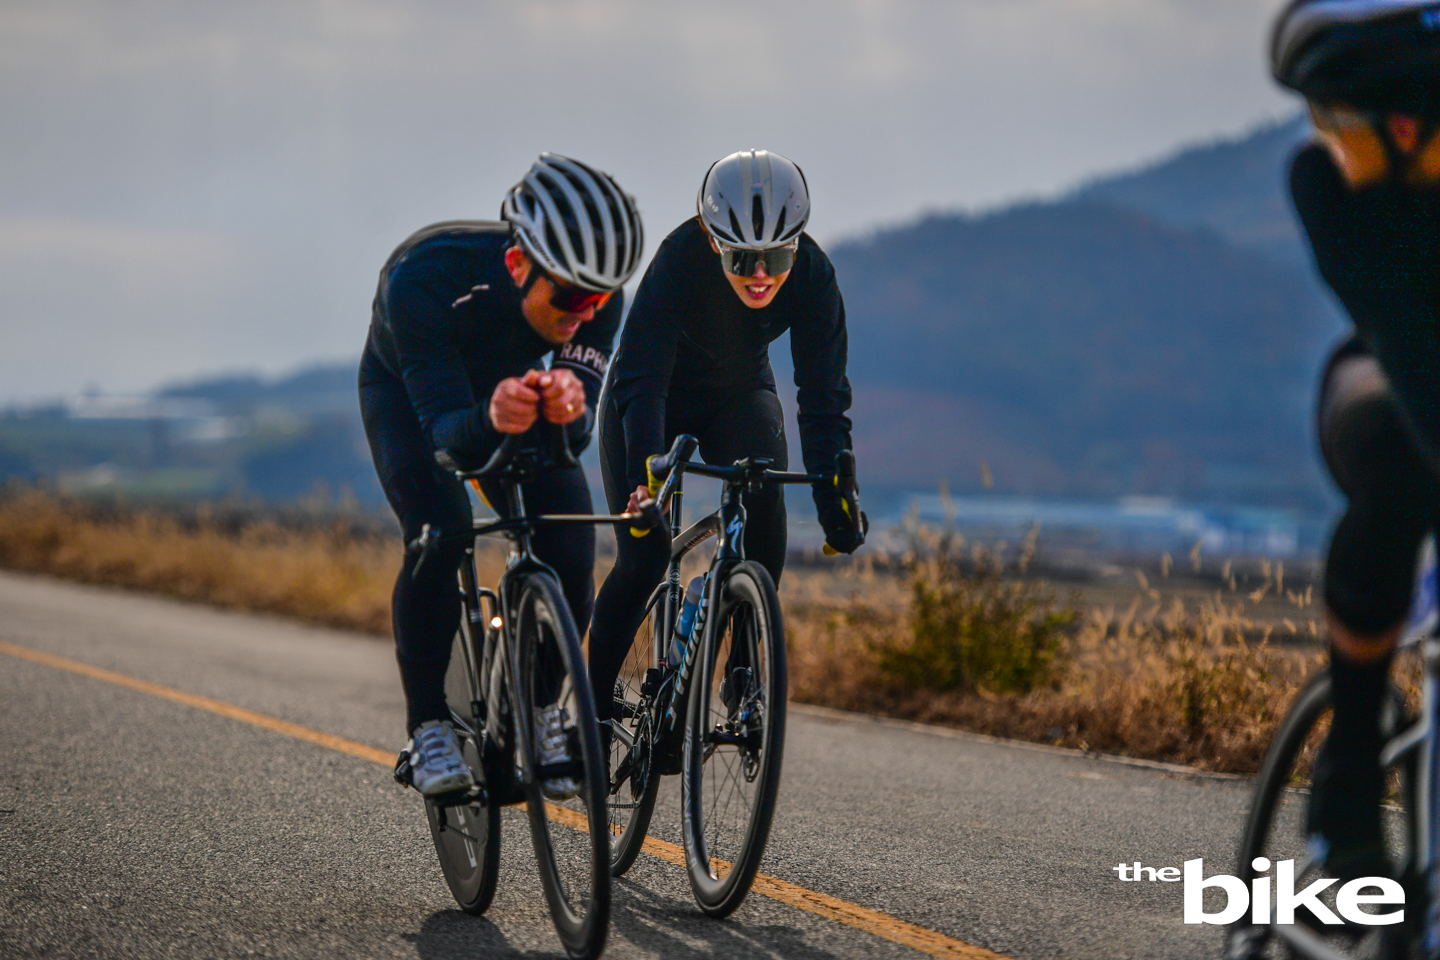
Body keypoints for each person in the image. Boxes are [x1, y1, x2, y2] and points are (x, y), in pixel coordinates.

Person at [358, 153, 643, 797]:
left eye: (599, 299)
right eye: (571, 297)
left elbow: (577, 434)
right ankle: (428, 726)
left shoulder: (597, 297)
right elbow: (445, 437)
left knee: (570, 541)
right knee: (442, 531)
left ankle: (540, 711)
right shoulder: (421, 279)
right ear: (518, 265)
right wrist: (491, 416)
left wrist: (570, 408)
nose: (585, 312)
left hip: (506, 389)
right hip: (410, 396)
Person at [588, 149, 865, 728]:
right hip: (652, 396)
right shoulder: (678, 261)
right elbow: (642, 382)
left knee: (763, 496)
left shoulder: (813, 276)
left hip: (738, 396)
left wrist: (835, 497)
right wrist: (645, 482)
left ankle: (742, 668)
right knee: (643, 555)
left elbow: (823, 396)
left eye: (776, 256)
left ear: (797, 245)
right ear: (714, 242)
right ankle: (591, 713)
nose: (761, 275)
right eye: (743, 259)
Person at [1271, 0, 1440, 877]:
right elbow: (1399, 330)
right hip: (1382, 370)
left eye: (1341, 118)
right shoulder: (1322, 181)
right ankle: (1350, 766)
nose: (1329, 136)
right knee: (1400, 458)